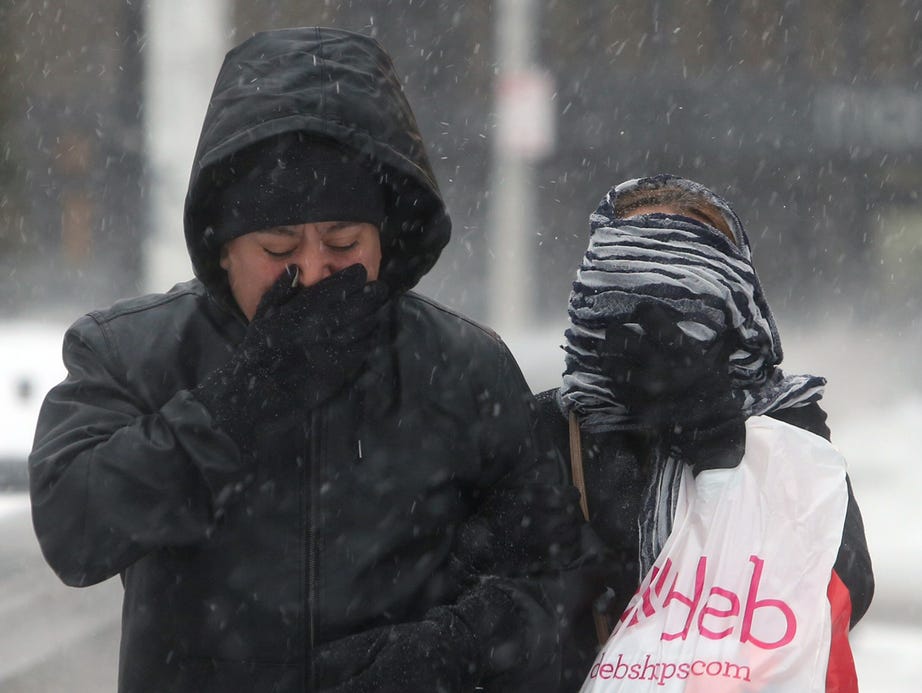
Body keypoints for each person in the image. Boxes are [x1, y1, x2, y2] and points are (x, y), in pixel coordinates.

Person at [28, 27, 583, 693]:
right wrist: (242, 398)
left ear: (385, 240)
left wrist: (447, 654)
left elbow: (553, 582)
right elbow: (75, 529)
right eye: (279, 245)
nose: (315, 271)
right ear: (223, 246)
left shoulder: (463, 366)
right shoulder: (131, 351)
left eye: (343, 240)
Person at [534, 174, 874, 688]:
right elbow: (487, 599)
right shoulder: (546, 428)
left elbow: (844, 587)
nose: (659, 324)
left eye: (683, 292)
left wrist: (722, 452)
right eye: (632, 285)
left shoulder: (783, 427)